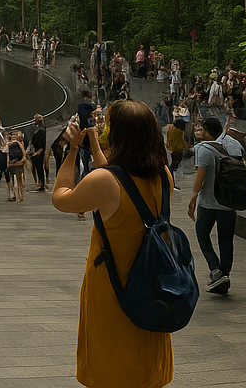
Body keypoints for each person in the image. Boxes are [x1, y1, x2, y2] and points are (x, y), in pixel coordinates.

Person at [51, 99, 173, 388]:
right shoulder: (162, 174)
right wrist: (92, 137)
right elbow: (120, 179)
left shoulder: (104, 182)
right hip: (153, 286)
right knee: (144, 365)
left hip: (114, 288)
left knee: (112, 369)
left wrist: (72, 150)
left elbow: (61, 197)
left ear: (119, 136)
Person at [188, 115, 244, 295]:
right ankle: (224, 275)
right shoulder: (233, 144)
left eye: (202, 128)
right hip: (229, 202)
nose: (200, 131)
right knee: (226, 240)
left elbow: (200, 175)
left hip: (209, 202)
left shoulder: (204, 149)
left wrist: (194, 196)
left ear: (208, 131)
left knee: (202, 233)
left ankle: (215, 269)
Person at [29, 114, 48, 191]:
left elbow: (43, 143)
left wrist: (38, 152)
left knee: (39, 168)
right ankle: (40, 183)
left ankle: (42, 184)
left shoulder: (41, 130)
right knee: (38, 168)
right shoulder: (37, 129)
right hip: (36, 150)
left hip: (39, 151)